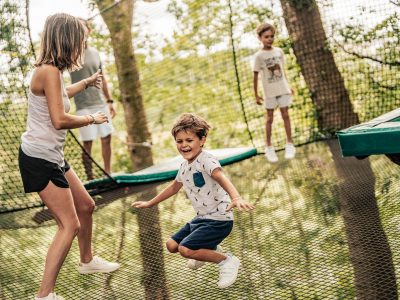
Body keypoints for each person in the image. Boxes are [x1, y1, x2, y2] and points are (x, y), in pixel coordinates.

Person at [18, 13, 119, 300]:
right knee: (69, 224)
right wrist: (92, 119)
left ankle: (86, 260)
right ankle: (44, 295)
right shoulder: (48, 71)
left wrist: (86, 83)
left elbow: (61, 95)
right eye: (79, 40)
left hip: (53, 155)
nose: (82, 45)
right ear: (66, 40)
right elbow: (59, 119)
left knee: (86, 206)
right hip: (39, 158)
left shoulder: (53, 72)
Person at [132, 113, 255, 289]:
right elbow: (174, 188)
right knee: (171, 245)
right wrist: (150, 203)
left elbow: (221, 177)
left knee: (185, 249)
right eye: (179, 141)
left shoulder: (206, 160)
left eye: (189, 140)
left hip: (218, 220)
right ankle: (207, 251)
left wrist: (236, 197)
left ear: (202, 140)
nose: (184, 145)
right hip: (202, 219)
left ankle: (227, 261)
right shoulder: (184, 166)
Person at [70, 18, 116, 179]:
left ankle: (108, 172)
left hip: (100, 103)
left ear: (89, 31)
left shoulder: (95, 53)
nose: (82, 31)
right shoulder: (70, 53)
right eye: (78, 28)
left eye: (84, 28)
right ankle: (90, 178)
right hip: (83, 106)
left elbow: (102, 78)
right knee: (87, 142)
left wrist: (110, 101)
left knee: (106, 138)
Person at [253, 22, 296, 162]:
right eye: (266, 36)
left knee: (286, 115)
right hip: (269, 92)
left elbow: (283, 71)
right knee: (269, 119)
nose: (270, 39)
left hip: (283, 89)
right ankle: (269, 147)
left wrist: (289, 86)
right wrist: (256, 94)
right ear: (260, 37)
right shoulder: (259, 56)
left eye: (272, 36)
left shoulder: (279, 52)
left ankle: (290, 144)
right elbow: (255, 75)